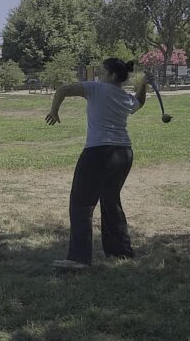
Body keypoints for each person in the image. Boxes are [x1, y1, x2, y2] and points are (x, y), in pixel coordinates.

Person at [45, 58, 147, 269]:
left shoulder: (97, 88)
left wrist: (54, 111)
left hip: (98, 152)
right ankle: (120, 251)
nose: (99, 76)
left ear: (111, 75)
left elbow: (63, 90)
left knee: (81, 203)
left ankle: (78, 258)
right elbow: (139, 103)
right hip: (124, 153)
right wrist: (144, 84)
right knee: (111, 200)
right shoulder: (124, 96)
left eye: (102, 72)